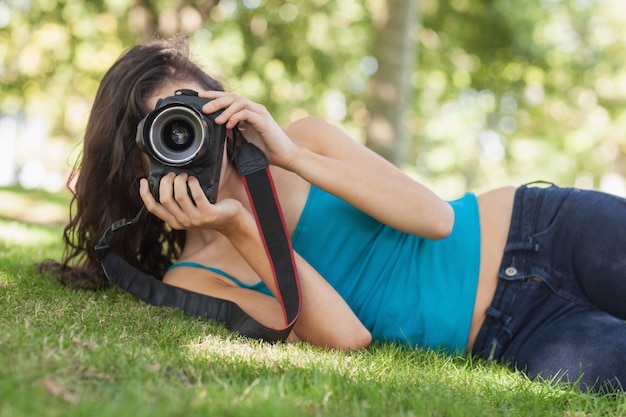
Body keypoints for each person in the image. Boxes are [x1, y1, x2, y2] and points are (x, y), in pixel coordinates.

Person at [41, 37, 626, 393]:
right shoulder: (196, 279)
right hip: (515, 336)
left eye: (195, 114)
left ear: (226, 108)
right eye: (166, 133)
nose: (188, 139)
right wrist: (238, 227)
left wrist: (291, 156)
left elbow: (434, 218)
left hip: (542, 228)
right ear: (139, 161)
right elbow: (347, 339)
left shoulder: (304, 141)